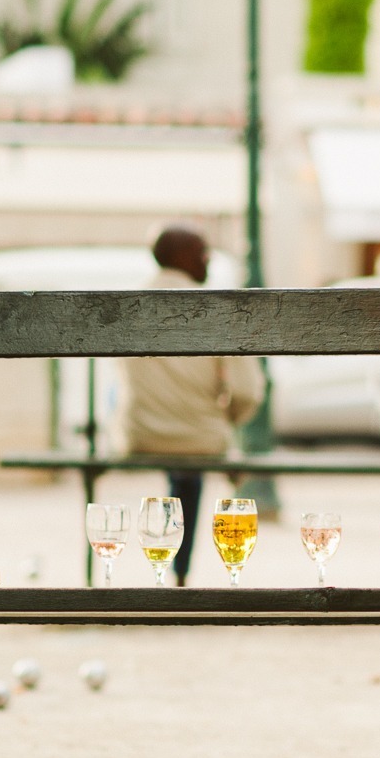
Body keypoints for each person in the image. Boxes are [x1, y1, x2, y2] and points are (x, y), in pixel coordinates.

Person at [123, 226, 265, 585]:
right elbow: (249, 392)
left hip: (142, 432)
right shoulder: (213, 307)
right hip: (201, 436)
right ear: (181, 257)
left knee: (182, 468)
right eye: (202, 252)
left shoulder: (127, 305)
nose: (209, 260)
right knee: (193, 458)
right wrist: (227, 420)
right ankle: (181, 573)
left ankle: (171, 567)